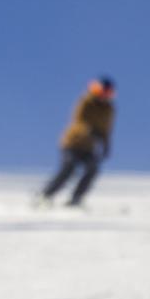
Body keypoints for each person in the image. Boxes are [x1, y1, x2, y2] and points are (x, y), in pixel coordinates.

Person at [37, 77, 116, 208]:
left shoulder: (109, 109)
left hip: (89, 147)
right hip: (72, 143)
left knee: (93, 169)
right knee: (69, 167)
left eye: (108, 93)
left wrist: (106, 145)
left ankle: (76, 198)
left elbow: (106, 130)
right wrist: (88, 130)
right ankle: (45, 195)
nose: (105, 95)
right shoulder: (86, 101)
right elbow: (78, 120)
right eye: (103, 91)